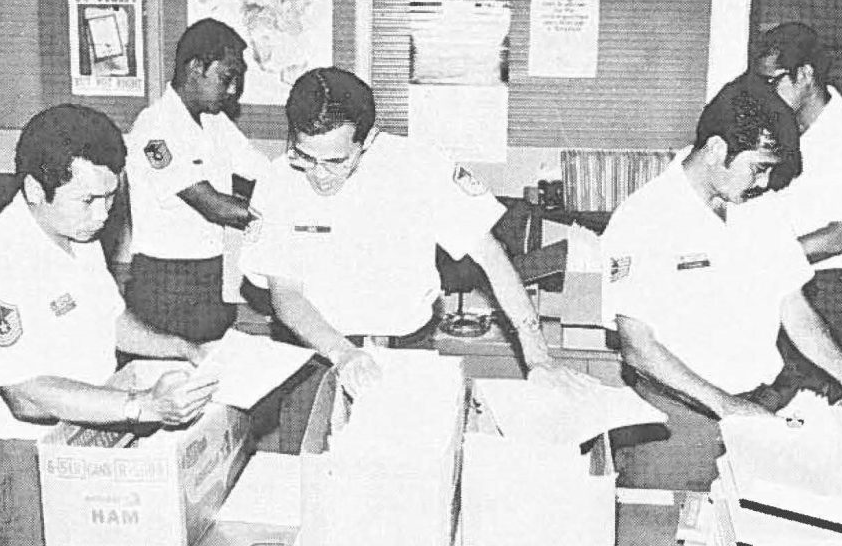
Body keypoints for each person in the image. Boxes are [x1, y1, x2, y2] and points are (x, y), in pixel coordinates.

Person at [0, 105, 217, 546]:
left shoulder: (74, 232)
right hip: (22, 461)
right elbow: (27, 398)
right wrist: (142, 406)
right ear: (35, 189)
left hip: (88, 429)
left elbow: (111, 320)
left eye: (110, 199)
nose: (102, 215)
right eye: (88, 200)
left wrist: (182, 348)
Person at [600, 75, 842, 491]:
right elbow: (637, 346)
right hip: (677, 423)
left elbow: (794, 309)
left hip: (759, 410)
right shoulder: (644, 218)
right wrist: (729, 408)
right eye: (757, 169)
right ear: (716, 150)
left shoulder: (760, 211)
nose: (763, 183)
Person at [241, 66, 590, 408]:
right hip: (315, 356)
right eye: (305, 157)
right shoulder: (277, 182)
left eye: (335, 161)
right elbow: (285, 293)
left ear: (368, 139)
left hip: (406, 353)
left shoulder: (421, 168)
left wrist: (537, 356)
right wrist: (343, 353)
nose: (319, 175)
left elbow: (491, 257)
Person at [751, 22, 842, 389]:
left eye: (773, 81)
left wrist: (763, 258)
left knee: (813, 401)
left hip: (826, 290)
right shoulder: (782, 131)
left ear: (806, 74)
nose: (765, 92)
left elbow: (840, 237)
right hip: (781, 277)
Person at [125, 18, 270, 342]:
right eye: (226, 77)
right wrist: (284, 216)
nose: (232, 90)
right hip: (164, 284)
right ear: (195, 68)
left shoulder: (215, 124)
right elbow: (213, 206)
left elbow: (264, 172)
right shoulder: (154, 129)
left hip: (209, 275)